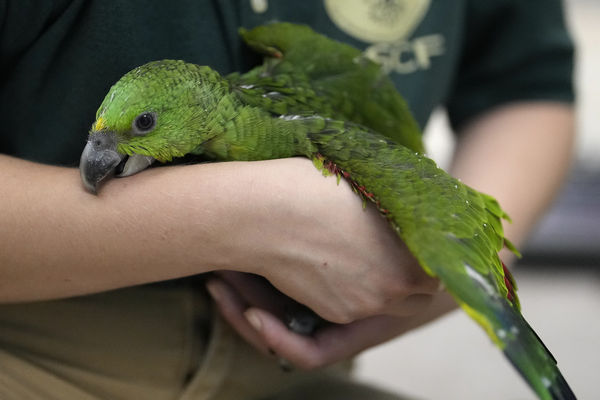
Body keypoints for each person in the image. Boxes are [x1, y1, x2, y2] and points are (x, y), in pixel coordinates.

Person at [0, 1, 575, 399]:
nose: (100, 152)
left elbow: (525, 81)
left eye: (140, 126)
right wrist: (246, 216)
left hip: (297, 371)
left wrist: (433, 281)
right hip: (30, 357)